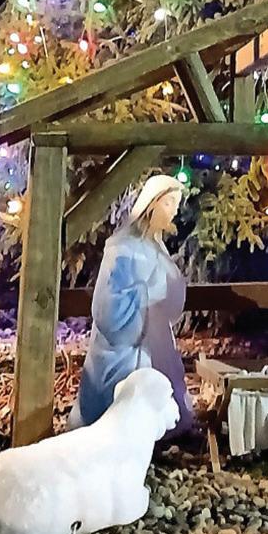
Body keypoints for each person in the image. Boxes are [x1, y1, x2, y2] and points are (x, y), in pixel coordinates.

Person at [72, 174, 194, 436]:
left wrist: (165, 293)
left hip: (154, 339)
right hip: (125, 346)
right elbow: (107, 306)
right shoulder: (123, 248)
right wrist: (145, 293)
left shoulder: (157, 247)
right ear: (151, 205)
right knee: (122, 403)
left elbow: (170, 292)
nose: (173, 211)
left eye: (176, 205)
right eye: (168, 203)